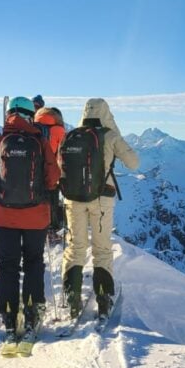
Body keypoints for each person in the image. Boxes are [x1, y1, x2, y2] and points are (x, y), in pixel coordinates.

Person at [0, 96, 60, 347]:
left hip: (4, 217)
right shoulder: (40, 142)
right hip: (35, 216)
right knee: (33, 263)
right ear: (31, 115)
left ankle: (9, 318)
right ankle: (32, 314)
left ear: (9, 114)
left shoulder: (0, 142)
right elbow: (53, 177)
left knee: (7, 266)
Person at [60, 98, 139, 319]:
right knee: (102, 249)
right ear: (106, 114)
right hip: (101, 199)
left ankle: (72, 295)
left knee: (76, 247)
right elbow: (134, 163)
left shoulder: (71, 135)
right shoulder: (110, 135)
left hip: (73, 198)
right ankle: (103, 298)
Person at [34, 105, 67, 235]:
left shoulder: (33, 126)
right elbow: (62, 154)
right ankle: (52, 228)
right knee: (52, 200)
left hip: (33, 171)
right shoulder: (59, 130)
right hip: (52, 171)